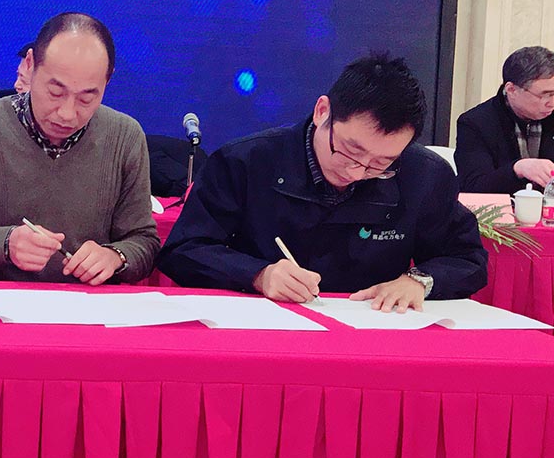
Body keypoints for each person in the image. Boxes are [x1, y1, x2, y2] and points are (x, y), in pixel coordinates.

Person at [157, 54, 487, 312]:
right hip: (264, 328)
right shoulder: (245, 162)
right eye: (350, 151)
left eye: (381, 164)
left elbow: (467, 259)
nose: (357, 172)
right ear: (322, 112)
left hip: (374, 332)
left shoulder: (424, 174)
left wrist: (419, 281)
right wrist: (257, 274)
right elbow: (184, 251)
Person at [0, 12, 160, 285]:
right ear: (30, 65)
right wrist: (5, 244)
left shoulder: (124, 136)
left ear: (108, 80)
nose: (67, 113)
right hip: (0, 301)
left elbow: (144, 242)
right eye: (55, 92)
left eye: (86, 98)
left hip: (91, 304)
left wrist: (116, 256)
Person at [455, 46, 554, 193]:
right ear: (511, 90)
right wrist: (517, 170)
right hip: (502, 205)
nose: (551, 103)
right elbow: (473, 186)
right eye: (545, 95)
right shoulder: (476, 123)